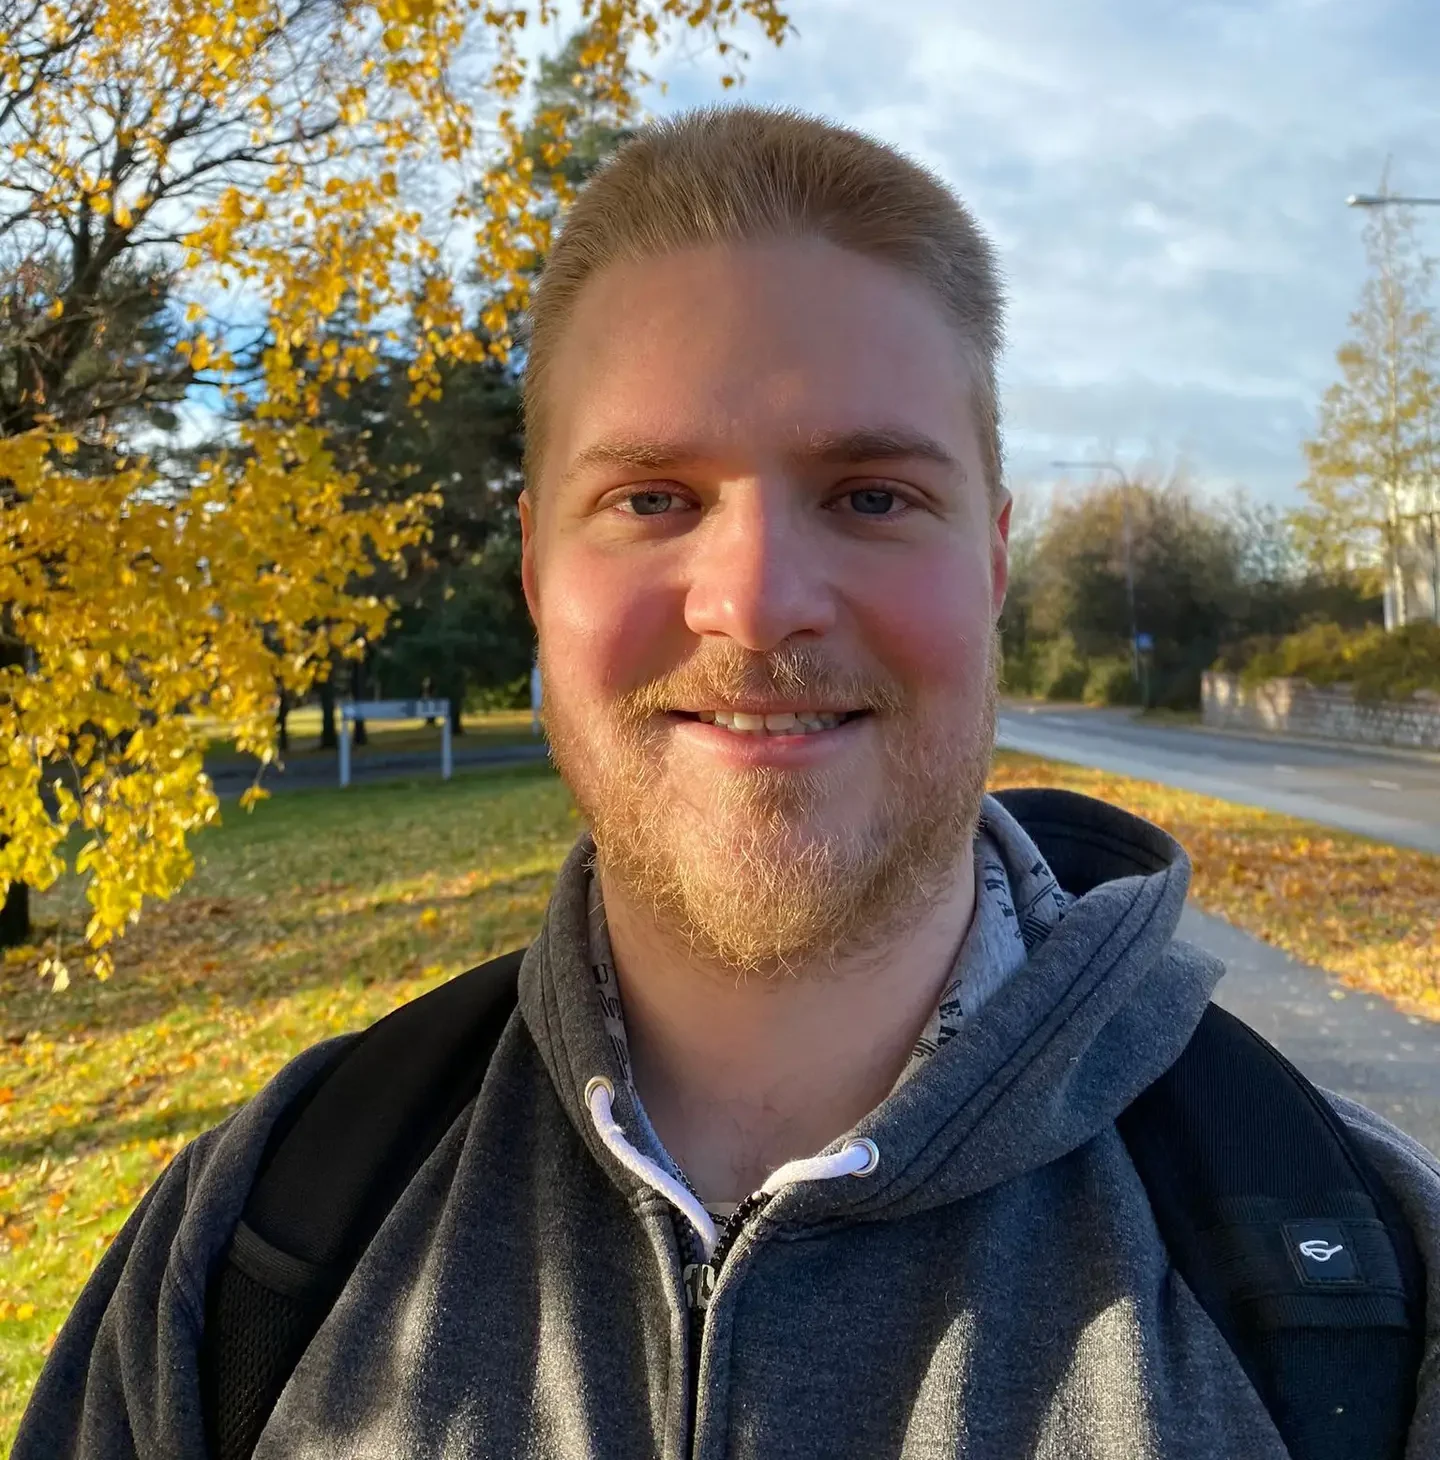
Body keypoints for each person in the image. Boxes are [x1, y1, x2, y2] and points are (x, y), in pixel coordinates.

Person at [15, 104, 1440, 1460]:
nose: (755, 606)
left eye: (872, 496)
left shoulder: (1372, 1289)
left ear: (995, 562)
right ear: (537, 571)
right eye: (653, 499)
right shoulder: (248, 1251)